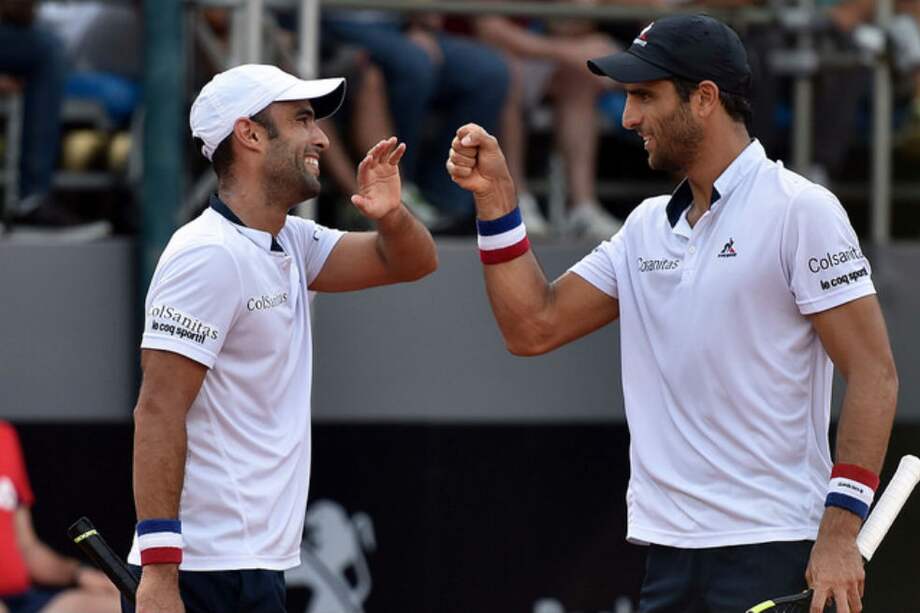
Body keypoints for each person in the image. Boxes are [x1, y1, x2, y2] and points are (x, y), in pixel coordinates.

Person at [447, 15, 898, 613]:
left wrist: (840, 534)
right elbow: (533, 326)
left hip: (771, 547)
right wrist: (497, 205)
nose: (629, 118)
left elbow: (874, 373)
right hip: (667, 554)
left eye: (643, 96)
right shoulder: (644, 228)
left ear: (704, 99)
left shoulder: (801, 211)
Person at [126, 64, 437, 613]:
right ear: (249, 134)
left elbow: (413, 260)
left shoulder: (291, 240)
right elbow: (157, 411)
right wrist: (159, 573)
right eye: (300, 120)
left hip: (257, 564)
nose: (319, 137)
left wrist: (391, 216)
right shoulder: (207, 254)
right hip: (201, 571)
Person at [323, 10, 509, 230]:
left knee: (491, 72)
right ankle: (397, 193)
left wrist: (420, 26)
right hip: (333, 19)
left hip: (399, 23)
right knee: (411, 64)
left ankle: (447, 204)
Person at [473, 6, 624, 240]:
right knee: (504, 74)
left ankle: (582, 208)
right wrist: (570, 51)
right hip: (481, 56)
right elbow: (490, 30)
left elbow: (573, 24)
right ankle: (514, 200)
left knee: (580, 77)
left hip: (533, 55)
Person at [0, 420, 121, 613]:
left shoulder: (4, 435)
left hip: (25, 599)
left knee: (122, 604)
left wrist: (79, 574)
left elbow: (27, 548)